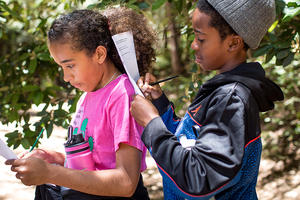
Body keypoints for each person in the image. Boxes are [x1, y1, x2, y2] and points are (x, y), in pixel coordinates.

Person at [130, 0, 284, 199]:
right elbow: (188, 142)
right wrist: (159, 105)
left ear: (233, 43)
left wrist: (151, 124)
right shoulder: (224, 93)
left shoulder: (231, 100)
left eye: (200, 38)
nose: (194, 45)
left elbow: (199, 178)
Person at [6, 7, 156, 200]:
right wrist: (54, 159)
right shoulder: (87, 96)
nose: (66, 77)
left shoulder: (121, 95)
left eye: (70, 65)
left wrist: (50, 173)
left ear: (100, 54)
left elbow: (126, 182)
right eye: (61, 67)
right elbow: (96, 161)